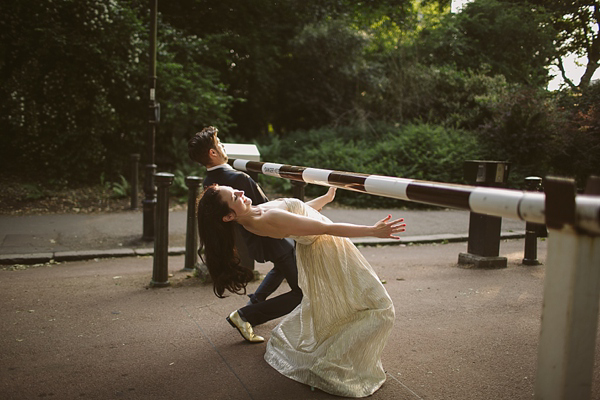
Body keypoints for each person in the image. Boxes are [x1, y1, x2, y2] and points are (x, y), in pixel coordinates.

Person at [196, 183, 406, 398]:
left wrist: (325, 198)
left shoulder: (254, 214)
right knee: (381, 307)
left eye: (235, 189)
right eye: (234, 197)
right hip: (329, 250)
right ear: (229, 217)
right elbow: (326, 228)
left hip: (325, 247)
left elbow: (299, 210)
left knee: (349, 305)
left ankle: (336, 360)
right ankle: (328, 368)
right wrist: (373, 231)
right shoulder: (265, 219)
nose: (241, 192)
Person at [188, 126, 301, 344]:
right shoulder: (238, 178)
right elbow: (266, 209)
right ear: (212, 153)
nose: (222, 147)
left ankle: (255, 301)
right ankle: (245, 315)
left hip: (253, 239)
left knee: (282, 267)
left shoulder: (209, 183)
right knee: (302, 293)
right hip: (271, 236)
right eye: (219, 144)